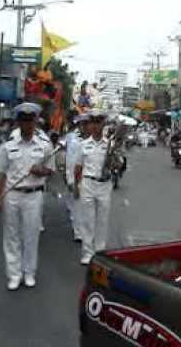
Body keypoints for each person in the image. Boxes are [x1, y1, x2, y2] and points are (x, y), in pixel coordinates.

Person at [0, 102, 55, 291]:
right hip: (12, 195)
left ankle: (29, 272)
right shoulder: (7, 146)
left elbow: (50, 171)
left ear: (36, 121)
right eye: (23, 120)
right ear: (18, 122)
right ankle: (14, 274)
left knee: (31, 234)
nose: (27, 124)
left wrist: (40, 170)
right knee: (11, 236)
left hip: (34, 195)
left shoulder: (45, 146)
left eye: (30, 120)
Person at [74, 110, 112, 265]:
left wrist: (114, 162)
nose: (95, 126)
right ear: (89, 125)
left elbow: (117, 164)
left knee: (102, 220)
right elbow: (78, 167)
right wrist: (76, 186)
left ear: (103, 124)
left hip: (104, 184)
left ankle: (100, 251)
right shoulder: (83, 145)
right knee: (87, 220)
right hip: (88, 183)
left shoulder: (110, 144)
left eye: (99, 122)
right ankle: (87, 253)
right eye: (93, 122)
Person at [65, 115, 87, 242]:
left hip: (90, 178)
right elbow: (70, 161)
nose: (85, 127)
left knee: (86, 207)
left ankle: (83, 229)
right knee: (77, 206)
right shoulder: (73, 139)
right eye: (83, 124)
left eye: (86, 124)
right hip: (77, 176)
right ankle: (78, 232)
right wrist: (70, 179)